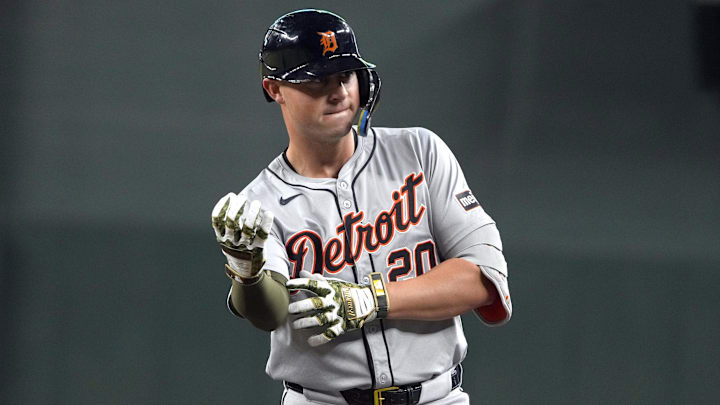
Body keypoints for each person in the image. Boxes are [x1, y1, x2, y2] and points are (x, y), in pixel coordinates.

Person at [211, 9, 512, 405]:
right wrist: (246, 275)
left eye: (344, 76)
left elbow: (483, 276)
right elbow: (270, 312)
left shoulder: (419, 153)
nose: (337, 92)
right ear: (274, 88)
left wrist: (372, 299)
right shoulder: (260, 202)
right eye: (316, 80)